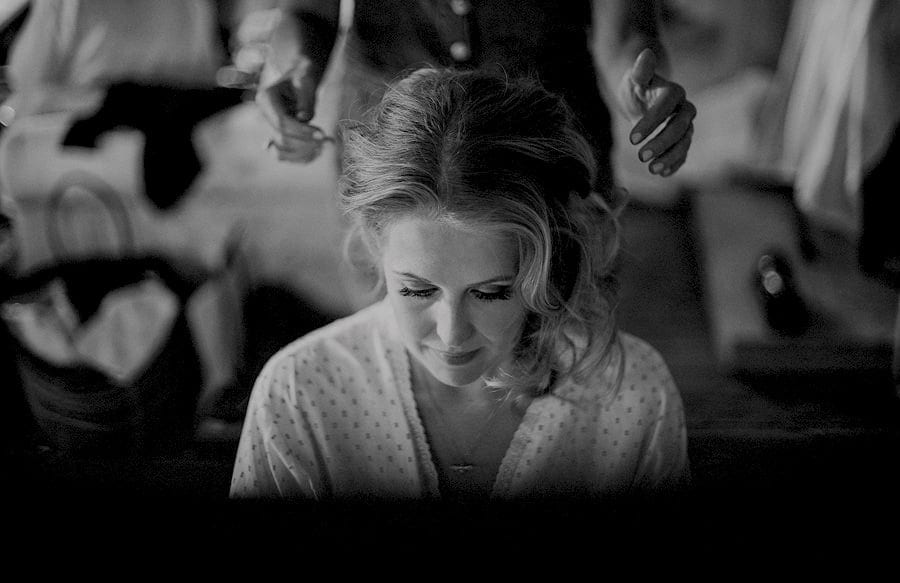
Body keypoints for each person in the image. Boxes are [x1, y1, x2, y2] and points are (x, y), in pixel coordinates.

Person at [230, 67, 689, 501]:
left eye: (491, 292)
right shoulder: (300, 393)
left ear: (547, 264)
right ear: (374, 243)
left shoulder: (632, 393)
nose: (451, 335)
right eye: (417, 290)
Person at [258, 0, 696, 191]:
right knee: (401, 317)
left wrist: (640, 82)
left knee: (561, 316)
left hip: (547, 143)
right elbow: (307, 11)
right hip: (390, 145)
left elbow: (626, 32)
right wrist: (293, 68)